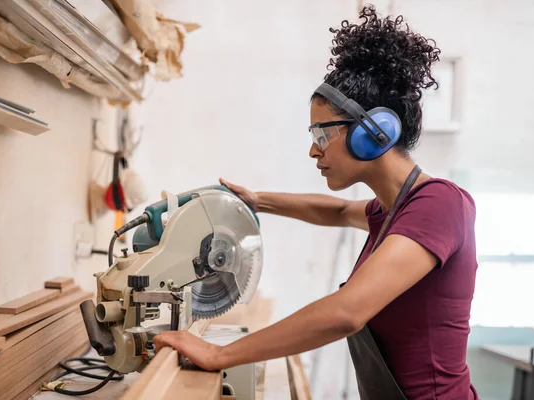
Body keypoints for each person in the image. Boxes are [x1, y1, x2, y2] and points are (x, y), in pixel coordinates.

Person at [154, 5, 479, 399]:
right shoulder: (393, 210)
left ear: (372, 133)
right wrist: (257, 201)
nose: (313, 150)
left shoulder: (440, 204)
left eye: (322, 135)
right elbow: (339, 211)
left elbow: (347, 312)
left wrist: (220, 354)